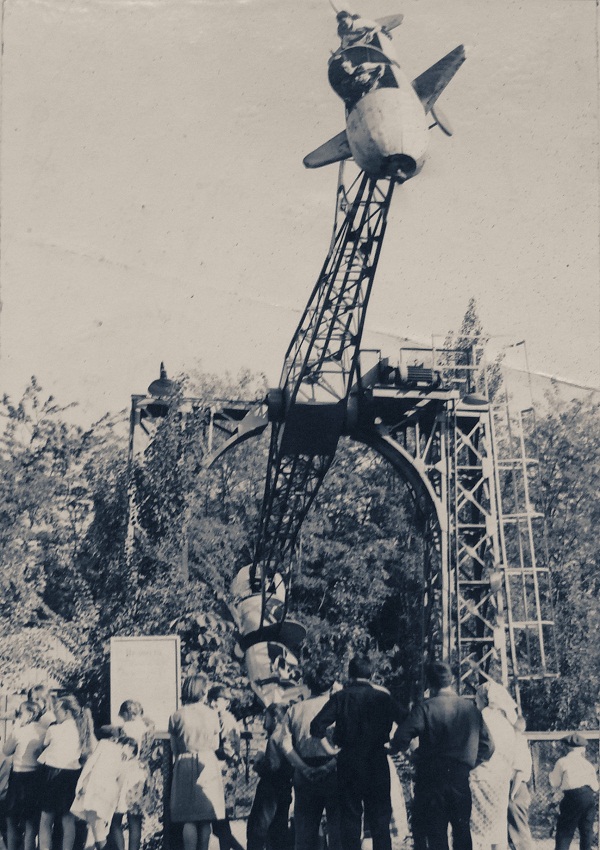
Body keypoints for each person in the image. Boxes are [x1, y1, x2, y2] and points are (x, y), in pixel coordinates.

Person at [390, 662, 495, 850]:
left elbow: (400, 739)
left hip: (431, 779)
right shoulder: (471, 709)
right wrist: (468, 763)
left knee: (436, 833)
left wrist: (412, 756)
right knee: (462, 831)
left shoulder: (425, 708)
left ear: (429, 683)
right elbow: (488, 747)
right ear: (452, 680)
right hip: (460, 778)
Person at [310, 653, 405, 850]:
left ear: (349, 674)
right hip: (377, 760)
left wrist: (331, 751)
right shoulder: (383, 698)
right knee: (380, 819)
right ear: (372, 674)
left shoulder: (341, 697)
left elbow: (316, 726)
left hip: (349, 761)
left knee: (350, 818)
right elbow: (407, 720)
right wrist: (396, 745)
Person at [278, 662, 342, 850]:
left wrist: (304, 768)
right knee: (337, 831)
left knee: (305, 834)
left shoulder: (295, 710)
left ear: (308, 684)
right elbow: (347, 743)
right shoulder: (339, 707)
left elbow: (285, 744)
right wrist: (329, 766)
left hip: (304, 772)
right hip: (334, 770)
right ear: (331, 683)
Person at [168, 675, 225, 850]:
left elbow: (174, 748)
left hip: (184, 763)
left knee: (188, 818)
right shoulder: (212, 714)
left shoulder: (177, 715)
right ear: (203, 691)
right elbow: (216, 744)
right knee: (205, 817)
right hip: (207, 763)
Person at [37, 695, 96, 850]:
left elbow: (44, 745)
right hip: (72, 775)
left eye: (57, 711)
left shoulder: (54, 729)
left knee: (46, 819)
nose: (55, 714)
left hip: (53, 774)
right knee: (68, 820)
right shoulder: (82, 729)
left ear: (67, 712)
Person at [470, 681, 520, 850]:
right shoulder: (507, 723)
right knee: (497, 828)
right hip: (501, 780)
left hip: (480, 778)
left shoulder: (481, 718)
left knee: (477, 830)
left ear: (483, 699)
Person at [71, 733, 138, 850]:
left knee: (98, 833)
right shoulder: (107, 746)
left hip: (98, 794)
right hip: (99, 793)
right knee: (96, 831)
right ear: (127, 745)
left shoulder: (107, 747)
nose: (127, 756)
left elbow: (91, 764)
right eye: (130, 752)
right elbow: (91, 764)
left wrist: (81, 783)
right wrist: (81, 783)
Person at [108, 700, 156, 850]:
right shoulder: (149, 728)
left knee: (115, 818)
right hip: (142, 773)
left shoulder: (124, 729)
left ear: (127, 713)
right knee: (135, 821)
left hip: (125, 772)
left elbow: (120, 753)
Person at [246, 703, 293, 850]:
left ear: (274, 717)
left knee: (258, 827)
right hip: (285, 786)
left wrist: (258, 764)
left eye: (265, 717)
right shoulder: (287, 734)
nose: (263, 721)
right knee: (279, 829)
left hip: (270, 787)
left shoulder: (275, 736)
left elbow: (273, 766)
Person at [3, 700, 46, 850]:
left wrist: (16, 727)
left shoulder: (18, 732)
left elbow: (6, 750)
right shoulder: (44, 732)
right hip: (36, 777)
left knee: (11, 820)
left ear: (31, 714)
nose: (18, 715)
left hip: (18, 777)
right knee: (30, 822)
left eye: (20, 713)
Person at [206, 686, 245, 850]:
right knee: (219, 822)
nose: (212, 703)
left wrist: (207, 751)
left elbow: (228, 749)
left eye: (217, 700)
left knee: (220, 819)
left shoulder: (226, 720)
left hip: (225, 770)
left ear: (227, 702)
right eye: (210, 700)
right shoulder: (217, 718)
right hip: (221, 770)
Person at [549, 732, 599, 850]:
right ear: (582, 749)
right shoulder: (588, 764)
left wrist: (550, 775)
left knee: (565, 831)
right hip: (588, 797)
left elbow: (555, 783)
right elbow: (596, 787)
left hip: (573, 797)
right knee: (586, 831)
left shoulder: (562, 762)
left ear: (568, 747)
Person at [507, 715, 533, 850]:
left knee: (519, 827)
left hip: (517, 787)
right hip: (515, 786)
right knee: (511, 827)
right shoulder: (518, 742)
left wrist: (513, 792)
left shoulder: (519, 744)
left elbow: (519, 772)